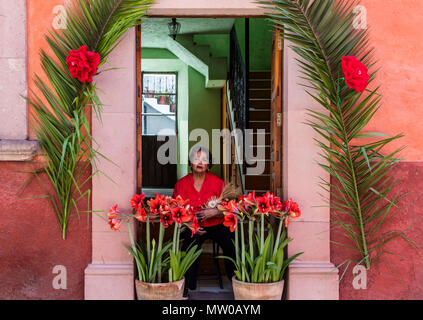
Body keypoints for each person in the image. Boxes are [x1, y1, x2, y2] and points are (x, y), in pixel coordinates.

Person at [172, 146, 235, 298]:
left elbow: (229, 208)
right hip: (192, 227)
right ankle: (187, 287)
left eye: (204, 160)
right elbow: (175, 211)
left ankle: (237, 282)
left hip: (216, 225)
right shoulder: (181, 185)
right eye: (196, 159)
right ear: (190, 162)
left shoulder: (218, 183)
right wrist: (190, 224)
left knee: (231, 242)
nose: (200, 163)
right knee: (190, 246)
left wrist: (215, 212)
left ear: (208, 164)